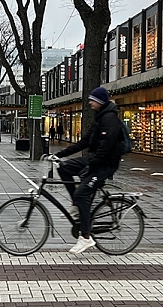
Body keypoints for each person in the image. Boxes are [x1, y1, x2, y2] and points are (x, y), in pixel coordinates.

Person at [49, 86, 123, 254]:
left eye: (92, 100)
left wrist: (91, 166)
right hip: (95, 160)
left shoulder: (110, 119)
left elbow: (106, 149)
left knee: (82, 194)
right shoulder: (99, 118)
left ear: (100, 102)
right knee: (64, 168)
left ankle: (86, 237)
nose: (89, 102)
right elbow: (84, 142)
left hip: (105, 165)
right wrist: (59, 154)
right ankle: (76, 205)